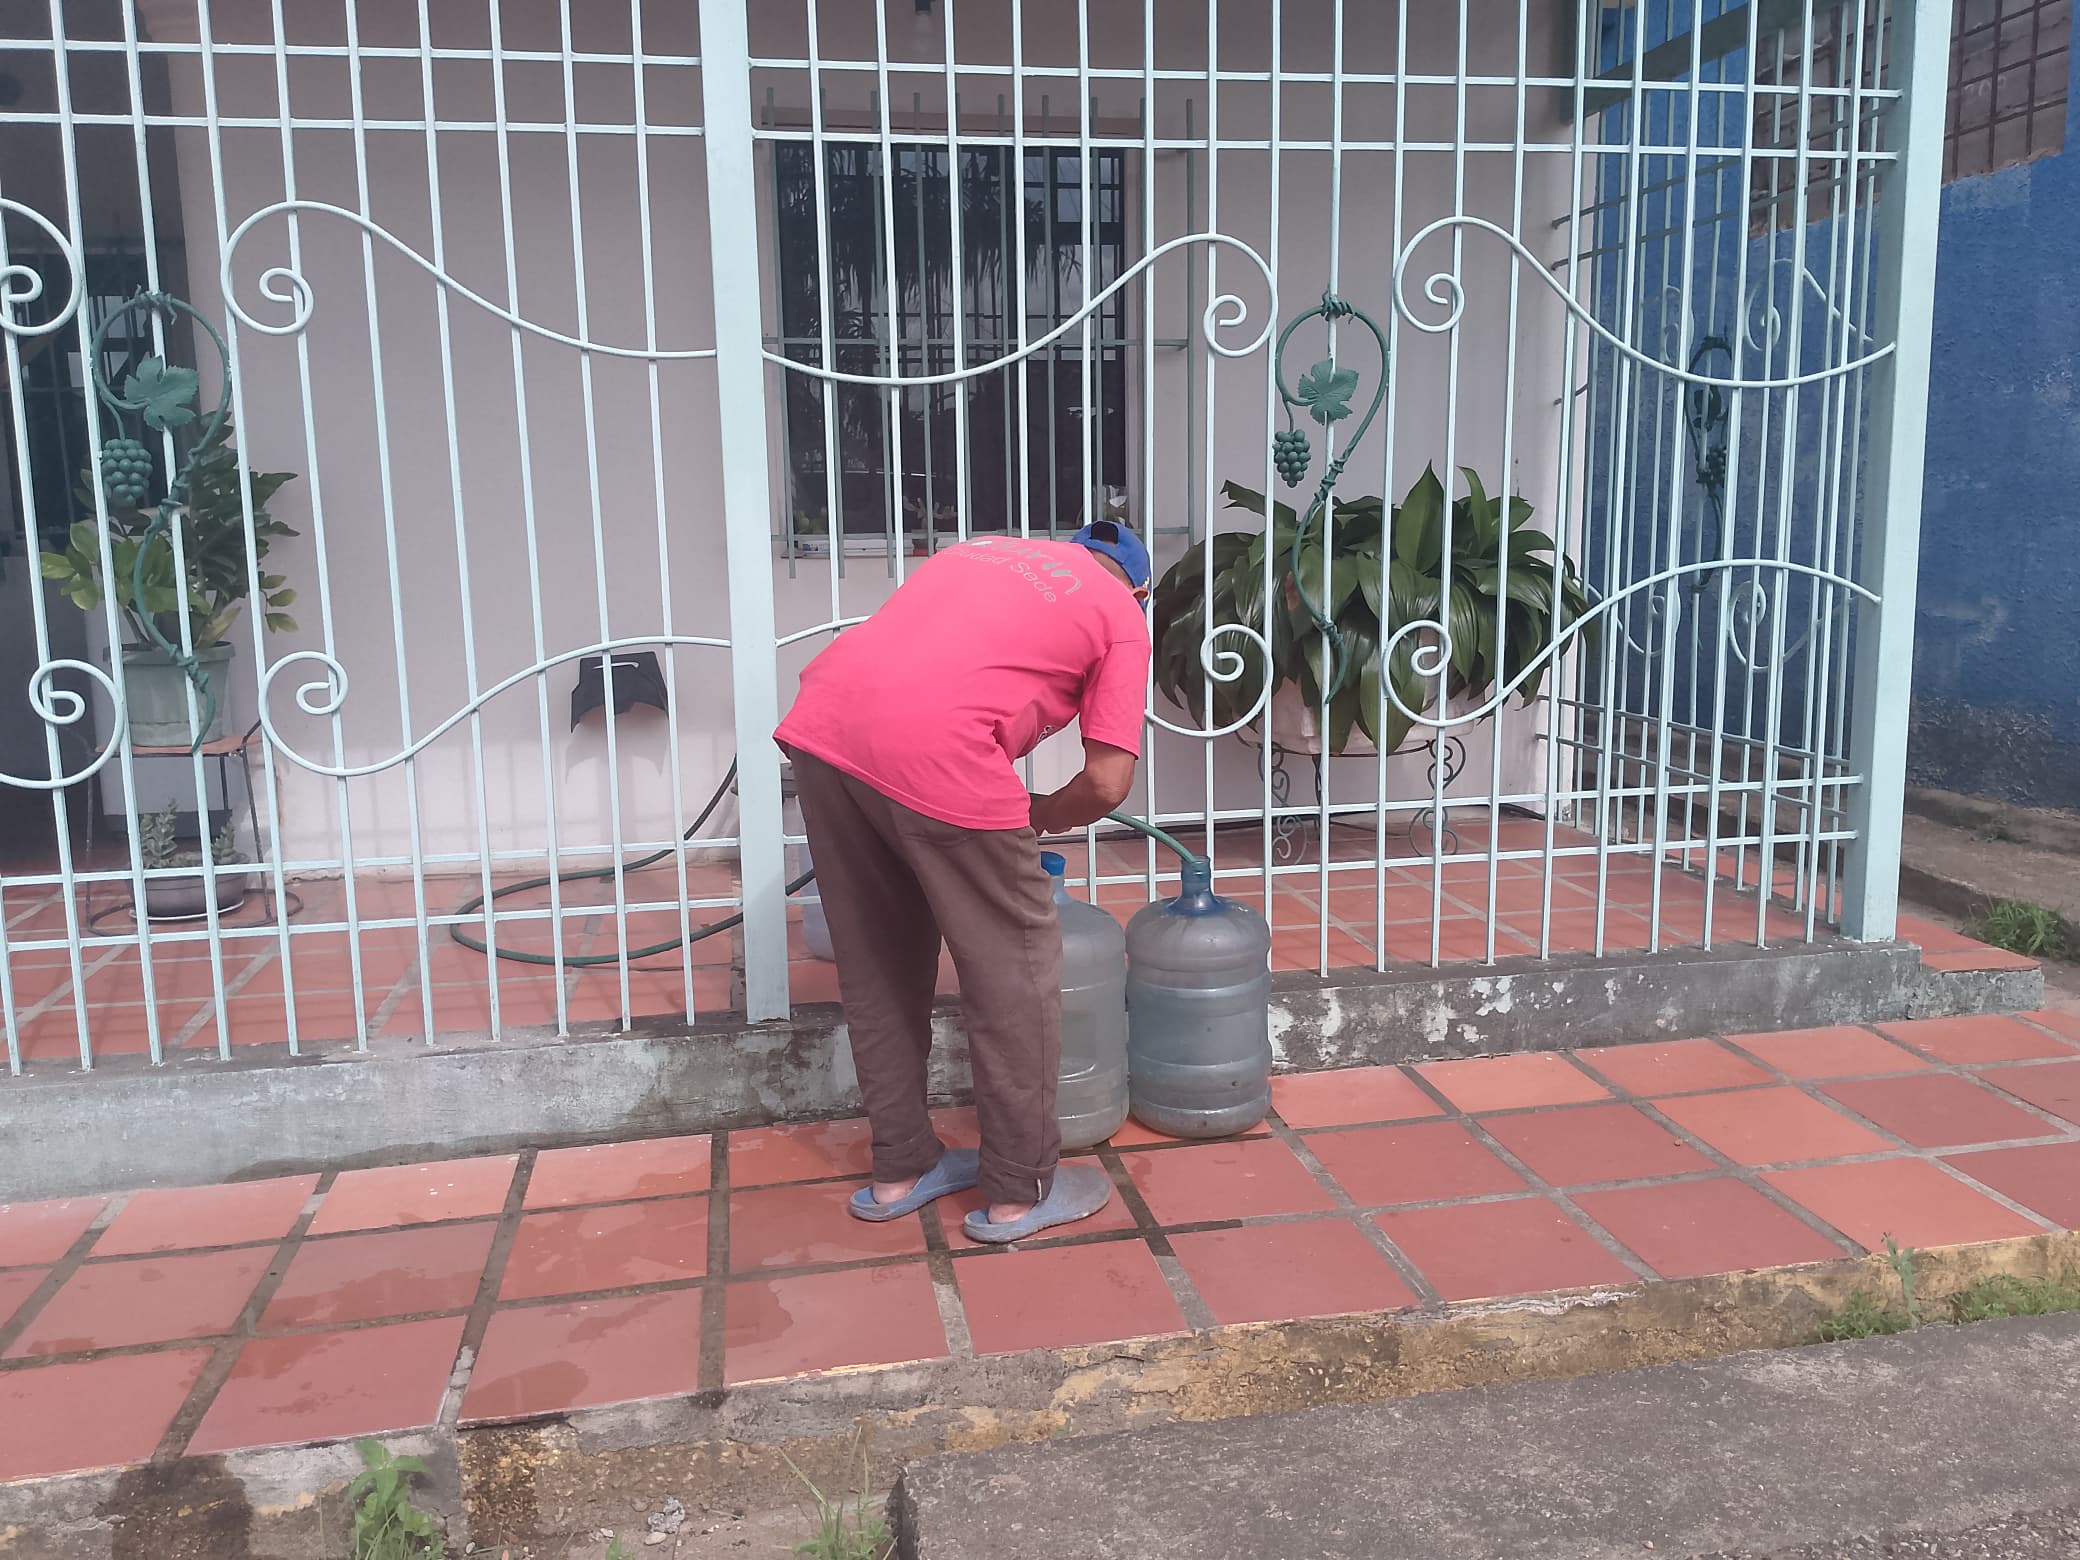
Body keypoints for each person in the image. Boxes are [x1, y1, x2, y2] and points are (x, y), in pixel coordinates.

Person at [775, 520, 1153, 1243]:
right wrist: (1040, 814)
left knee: (878, 960)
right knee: (1015, 969)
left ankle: (901, 1169)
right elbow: (1107, 781)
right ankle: (1019, 1191)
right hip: (938, 752)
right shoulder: (1121, 617)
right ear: (1138, 587)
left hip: (822, 730)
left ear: (1072, 552)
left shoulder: (983, 551)